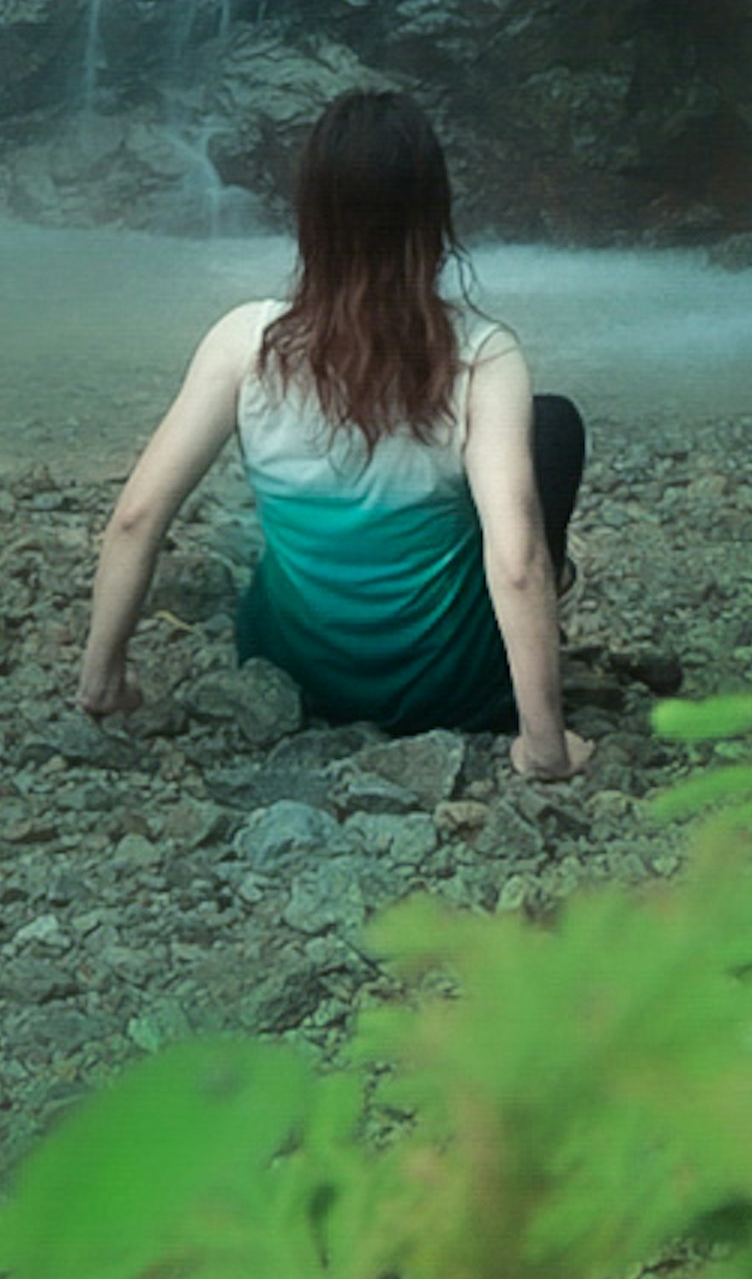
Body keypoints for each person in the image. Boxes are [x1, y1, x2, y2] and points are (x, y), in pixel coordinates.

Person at [74, 87, 590, 779]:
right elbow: (518, 559)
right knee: (551, 426)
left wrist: (102, 677)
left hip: (291, 676)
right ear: (435, 213)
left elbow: (136, 518)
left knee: (263, 533)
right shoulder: (484, 356)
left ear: (311, 216)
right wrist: (544, 744)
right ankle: (529, 661)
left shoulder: (243, 343)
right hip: (453, 692)